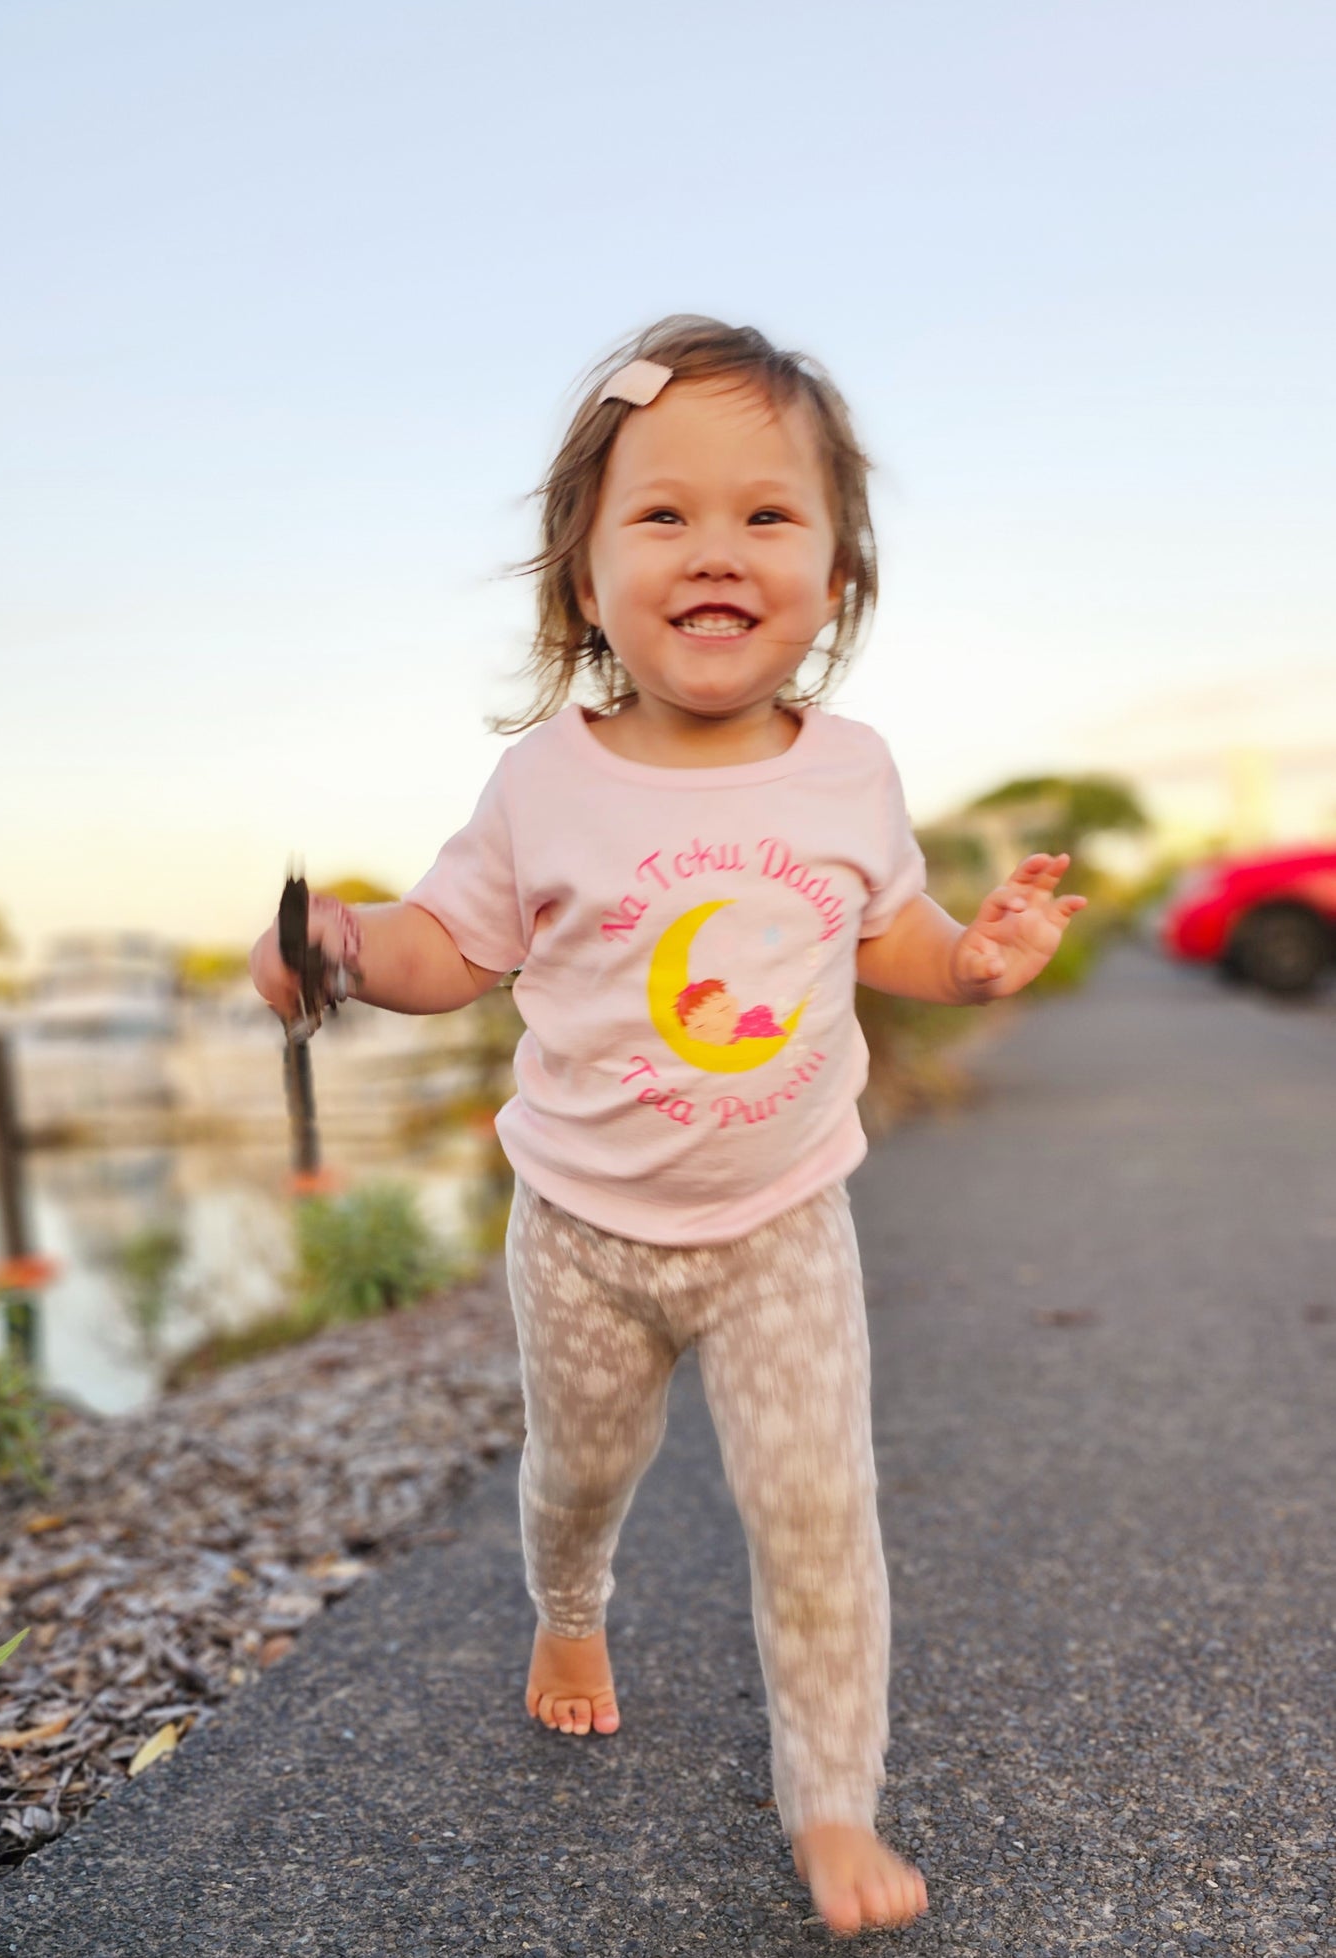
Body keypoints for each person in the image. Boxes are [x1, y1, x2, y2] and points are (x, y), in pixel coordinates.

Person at [249, 316, 1087, 1938]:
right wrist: (344, 947)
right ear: (580, 574)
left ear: (836, 576)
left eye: (768, 516)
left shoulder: (850, 771)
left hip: (781, 1223)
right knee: (578, 1471)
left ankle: (830, 1798)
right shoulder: (540, 788)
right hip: (580, 1233)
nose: (717, 548)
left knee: (816, 1513)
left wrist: (969, 964)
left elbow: (882, 930)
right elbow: (447, 945)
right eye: (663, 513)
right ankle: (571, 1609)